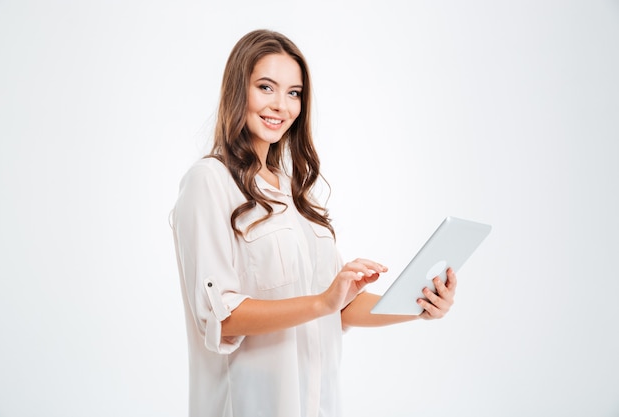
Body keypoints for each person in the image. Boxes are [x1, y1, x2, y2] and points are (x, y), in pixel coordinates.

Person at [171, 29, 457, 417]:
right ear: (238, 90)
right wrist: (322, 301)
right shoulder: (209, 181)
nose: (281, 105)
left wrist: (417, 305)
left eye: (294, 93)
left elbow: (336, 308)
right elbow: (220, 320)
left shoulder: (293, 191)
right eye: (266, 87)